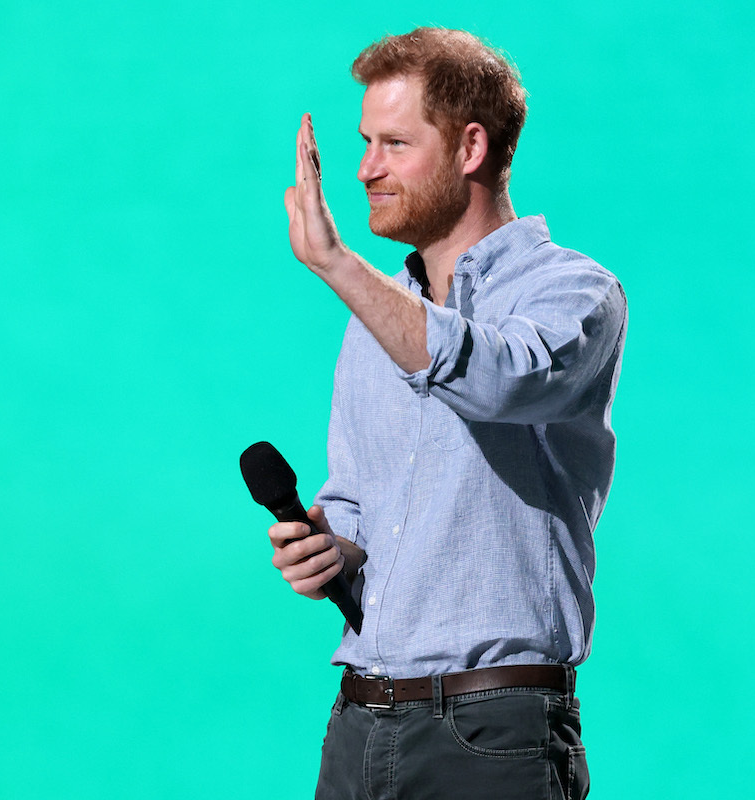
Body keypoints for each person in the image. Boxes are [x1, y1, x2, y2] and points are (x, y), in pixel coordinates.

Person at [268, 27, 627, 800]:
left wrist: (338, 265)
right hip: (359, 722)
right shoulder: (371, 322)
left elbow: (502, 379)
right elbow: (358, 501)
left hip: (492, 731)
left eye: (394, 143)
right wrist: (333, 550)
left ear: (470, 147)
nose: (364, 169)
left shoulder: (573, 293)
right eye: (364, 142)